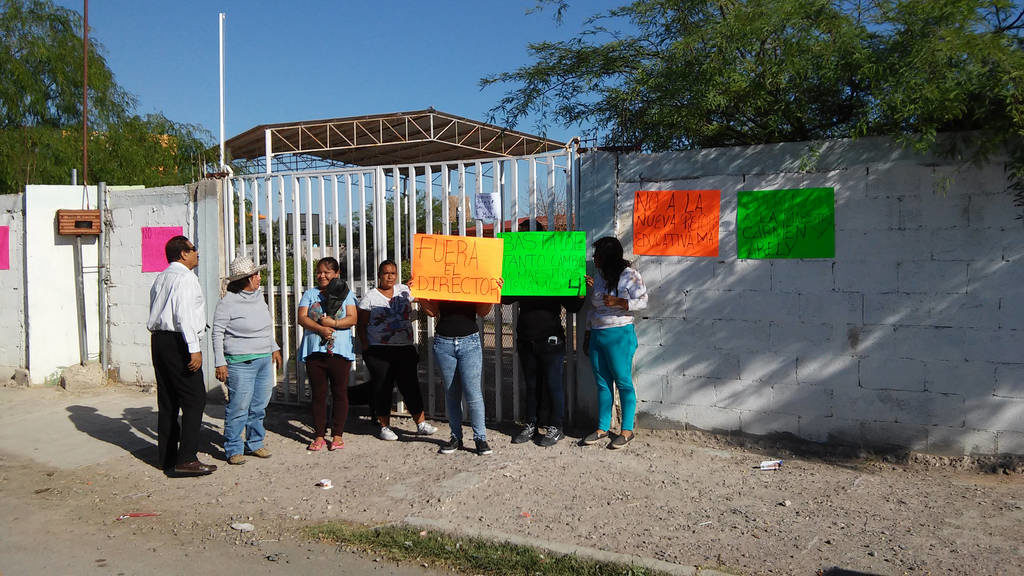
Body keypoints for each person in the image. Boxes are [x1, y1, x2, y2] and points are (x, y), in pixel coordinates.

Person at [503, 220, 585, 447]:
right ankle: (531, 423)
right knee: (531, 385)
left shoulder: (555, 266)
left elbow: (573, 307)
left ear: (539, 239)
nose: (521, 240)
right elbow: (506, 299)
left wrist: (580, 293)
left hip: (551, 338)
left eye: (525, 236)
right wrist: (501, 283)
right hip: (526, 338)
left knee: (553, 384)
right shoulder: (519, 267)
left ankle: (555, 427)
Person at [147, 235, 216, 475]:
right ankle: (187, 458)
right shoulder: (186, 278)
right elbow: (184, 315)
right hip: (179, 342)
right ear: (183, 253)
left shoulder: (162, 277)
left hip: (159, 340)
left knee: (167, 401)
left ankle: (166, 456)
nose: (197, 252)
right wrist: (193, 349)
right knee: (194, 399)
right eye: (193, 249)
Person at [356, 259, 438, 441]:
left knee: (410, 386)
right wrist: (366, 347)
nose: (390, 276)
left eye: (393, 273)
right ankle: (384, 426)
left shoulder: (404, 291)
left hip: (404, 348)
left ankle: (421, 423)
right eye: (386, 273)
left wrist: (418, 288)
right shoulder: (370, 297)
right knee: (382, 387)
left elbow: (426, 299)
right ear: (379, 276)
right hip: (379, 350)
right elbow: (361, 324)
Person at [212, 256, 282, 465]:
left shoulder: (259, 298)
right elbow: (217, 333)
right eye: (256, 275)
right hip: (240, 363)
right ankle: (233, 447)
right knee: (239, 406)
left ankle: (255, 443)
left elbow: (265, 326)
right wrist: (220, 362)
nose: (259, 278)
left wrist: (274, 347)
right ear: (247, 279)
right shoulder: (227, 303)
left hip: (263, 360)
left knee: (259, 405)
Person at [582, 236, 647, 449]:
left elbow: (643, 301)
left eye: (598, 254)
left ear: (608, 256)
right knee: (602, 384)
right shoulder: (599, 276)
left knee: (623, 382)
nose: (594, 258)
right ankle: (602, 428)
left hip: (619, 334)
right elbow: (595, 309)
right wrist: (588, 334)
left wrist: (620, 302)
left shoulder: (629, 275)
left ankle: (626, 430)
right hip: (598, 334)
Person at [418, 286, 500, 456]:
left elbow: (483, 312)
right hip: (444, 343)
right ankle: (456, 437)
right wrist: (419, 292)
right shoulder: (439, 280)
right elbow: (432, 312)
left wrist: (492, 290)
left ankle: (480, 438)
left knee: (473, 393)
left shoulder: (471, 278)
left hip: (469, 342)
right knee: (451, 393)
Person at [297, 257, 357, 452]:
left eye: (327, 272)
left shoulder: (346, 294)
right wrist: (320, 329)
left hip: (339, 352)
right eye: (319, 272)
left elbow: (352, 318)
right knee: (318, 394)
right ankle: (319, 435)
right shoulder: (310, 294)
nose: (322, 275)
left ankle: (337, 435)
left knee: (340, 393)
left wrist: (334, 324)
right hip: (315, 351)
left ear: (336, 274)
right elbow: (302, 318)